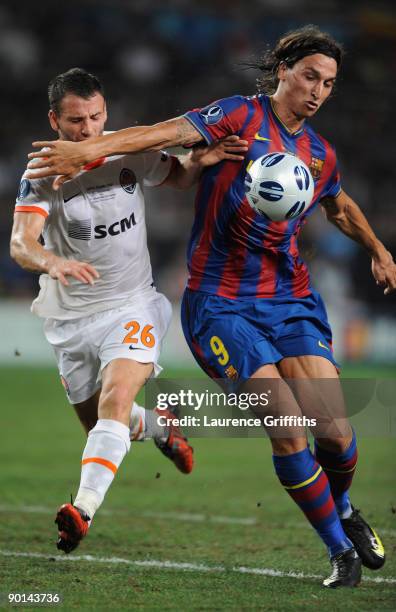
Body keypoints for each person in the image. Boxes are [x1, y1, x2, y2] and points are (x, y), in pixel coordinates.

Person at [25, 27, 396, 588]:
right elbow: (159, 134)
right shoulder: (236, 116)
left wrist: (378, 249)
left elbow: (337, 205)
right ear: (284, 72)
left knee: (337, 434)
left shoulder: (318, 153)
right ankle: (339, 550)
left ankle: (341, 510)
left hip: (289, 298)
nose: (318, 91)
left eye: (329, 83)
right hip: (221, 305)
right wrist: (91, 148)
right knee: (289, 427)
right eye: (310, 77)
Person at [10, 68, 248, 554]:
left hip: (132, 302)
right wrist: (52, 261)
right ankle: (160, 426)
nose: (88, 130)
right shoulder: (42, 173)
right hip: (71, 319)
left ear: (106, 113)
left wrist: (201, 160)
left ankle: (82, 510)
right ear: (54, 119)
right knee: (100, 423)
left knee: (114, 403)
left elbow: (177, 176)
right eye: (76, 121)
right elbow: (21, 244)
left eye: (96, 117)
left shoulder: (126, 148)